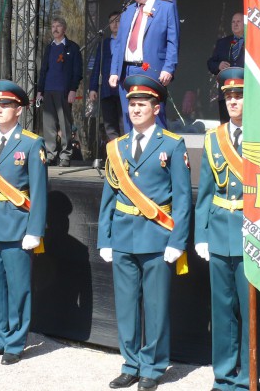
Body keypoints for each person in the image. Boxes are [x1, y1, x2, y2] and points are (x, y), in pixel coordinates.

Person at [98, 74, 191, 391]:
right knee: (126, 307)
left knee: (155, 307)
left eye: (142, 104)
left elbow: (182, 198)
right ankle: (130, 364)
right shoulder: (117, 147)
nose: (136, 110)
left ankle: (152, 366)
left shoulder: (172, 145)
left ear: (156, 108)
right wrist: (105, 238)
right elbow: (109, 196)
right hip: (123, 236)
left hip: (157, 236)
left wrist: (177, 240)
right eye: (132, 104)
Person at [0, 80, 47, 365]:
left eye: (6, 105)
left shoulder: (31, 143)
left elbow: (39, 191)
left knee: (17, 288)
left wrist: (34, 230)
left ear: (19, 110)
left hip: (17, 225)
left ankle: (14, 343)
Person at [195, 68, 256, 391]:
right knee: (222, 311)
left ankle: (248, 377)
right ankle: (224, 375)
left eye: (239, 96)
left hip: (252, 235)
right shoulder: (213, 139)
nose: (233, 101)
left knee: (249, 311)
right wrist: (201, 235)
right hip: (219, 232)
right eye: (229, 96)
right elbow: (205, 192)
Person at [109, 0, 179, 132]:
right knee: (129, 116)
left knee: (154, 116)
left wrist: (169, 68)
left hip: (151, 70)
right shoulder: (127, 11)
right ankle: (132, 148)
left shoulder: (166, 8)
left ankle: (159, 148)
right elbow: (119, 44)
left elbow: (173, 41)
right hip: (126, 71)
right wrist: (114, 71)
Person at [36, 16, 83, 166]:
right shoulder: (49, 48)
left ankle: (65, 155)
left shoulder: (72, 48)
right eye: (53, 26)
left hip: (64, 91)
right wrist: (40, 90)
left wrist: (73, 89)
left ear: (64, 29)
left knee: (65, 124)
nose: (55, 29)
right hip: (48, 90)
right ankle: (51, 154)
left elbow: (77, 71)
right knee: (49, 125)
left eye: (58, 26)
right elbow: (43, 70)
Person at [90, 11, 122, 142]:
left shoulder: (127, 41)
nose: (114, 24)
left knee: (124, 123)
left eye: (117, 21)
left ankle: (126, 152)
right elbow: (97, 66)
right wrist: (93, 88)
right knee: (110, 126)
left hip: (123, 89)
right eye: (111, 22)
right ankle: (114, 152)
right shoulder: (104, 43)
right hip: (106, 90)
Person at [206, 12, 245, 123]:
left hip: (246, 93)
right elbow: (210, 63)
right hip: (226, 94)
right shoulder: (223, 43)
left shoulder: (253, 42)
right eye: (233, 22)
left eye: (238, 21)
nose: (235, 24)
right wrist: (218, 65)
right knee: (226, 127)